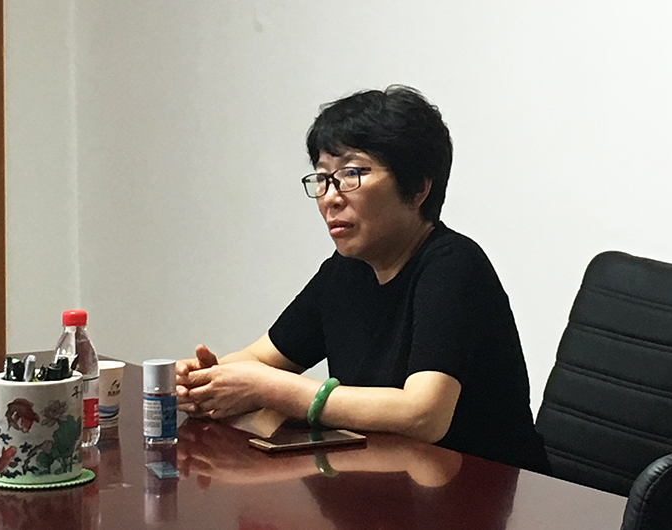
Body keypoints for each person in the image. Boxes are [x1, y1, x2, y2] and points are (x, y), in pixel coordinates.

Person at [176, 85, 550, 473]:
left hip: (485, 490)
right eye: (322, 178)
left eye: (351, 173)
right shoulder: (345, 271)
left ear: (418, 188)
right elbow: (260, 359)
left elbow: (424, 415)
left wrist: (266, 388)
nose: (330, 197)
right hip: (384, 486)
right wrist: (202, 381)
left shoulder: (453, 266)